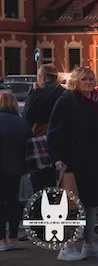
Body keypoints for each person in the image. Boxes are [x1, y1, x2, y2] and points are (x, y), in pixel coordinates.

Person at [47, 67, 98, 261]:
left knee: (91, 203)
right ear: (76, 81)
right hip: (73, 160)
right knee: (71, 204)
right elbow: (55, 131)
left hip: (95, 160)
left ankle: (89, 243)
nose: (88, 82)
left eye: (91, 79)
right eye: (84, 79)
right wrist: (57, 157)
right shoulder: (67, 101)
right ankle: (67, 247)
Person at [22, 63, 65, 193]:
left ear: (43, 78)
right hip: (61, 143)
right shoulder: (65, 94)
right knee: (58, 185)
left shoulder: (36, 95)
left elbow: (26, 118)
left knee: (39, 185)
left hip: (39, 144)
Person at [0, 90, 31, 252]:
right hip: (16, 168)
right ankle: (13, 237)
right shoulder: (21, 122)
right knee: (13, 201)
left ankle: (1, 239)